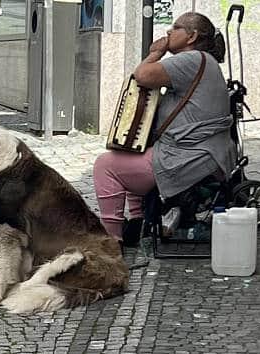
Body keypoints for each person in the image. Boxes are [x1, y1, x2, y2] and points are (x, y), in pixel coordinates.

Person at [93, 12, 236, 246]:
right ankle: (138, 223)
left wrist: (155, 53)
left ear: (192, 36)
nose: (169, 32)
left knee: (105, 165)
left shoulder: (192, 59)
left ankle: (111, 241)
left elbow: (142, 76)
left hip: (189, 158)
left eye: (175, 28)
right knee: (129, 156)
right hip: (202, 154)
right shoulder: (203, 61)